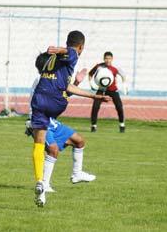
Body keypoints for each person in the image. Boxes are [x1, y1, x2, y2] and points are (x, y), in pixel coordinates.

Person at [30, 30, 111, 207]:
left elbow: (67, 87)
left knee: (43, 146)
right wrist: (58, 49)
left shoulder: (53, 68)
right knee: (52, 150)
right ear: (81, 46)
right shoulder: (72, 54)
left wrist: (94, 96)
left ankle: (41, 183)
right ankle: (47, 182)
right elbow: (70, 52)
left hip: (40, 105)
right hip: (54, 104)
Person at [26, 69, 96, 194]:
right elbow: (61, 94)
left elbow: (63, 94)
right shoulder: (42, 79)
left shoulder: (54, 78)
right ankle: (45, 185)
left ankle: (77, 174)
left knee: (79, 141)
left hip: (50, 120)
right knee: (53, 150)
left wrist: (76, 82)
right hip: (39, 120)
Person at [89, 51, 127, 133]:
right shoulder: (99, 66)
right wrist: (91, 84)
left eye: (109, 58)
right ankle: (93, 126)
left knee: (119, 107)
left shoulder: (115, 68)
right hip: (101, 89)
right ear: (104, 59)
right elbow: (90, 74)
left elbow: (123, 75)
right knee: (95, 106)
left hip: (112, 90)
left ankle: (122, 125)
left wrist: (124, 85)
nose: (108, 60)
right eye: (106, 58)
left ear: (112, 59)